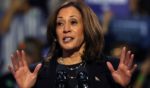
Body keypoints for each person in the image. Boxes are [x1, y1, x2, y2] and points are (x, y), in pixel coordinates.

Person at [8, 0, 137, 88]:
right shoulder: (37, 73)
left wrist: (125, 86)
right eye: (60, 23)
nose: (66, 29)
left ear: (87, 28)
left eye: (73, 22)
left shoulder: (111, 69)